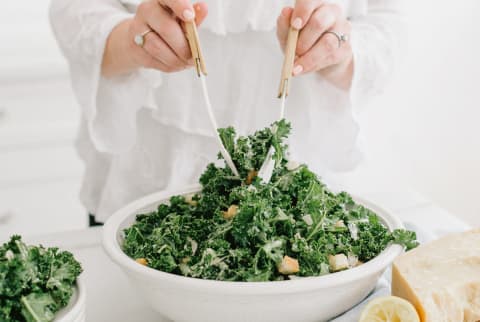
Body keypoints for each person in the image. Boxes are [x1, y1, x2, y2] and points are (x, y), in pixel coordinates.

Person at [49, 0, 404, 225]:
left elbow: (387, 26)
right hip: (138, 187)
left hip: (298, 210)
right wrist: (130, 39)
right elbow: (71, 8)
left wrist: (337, 51)